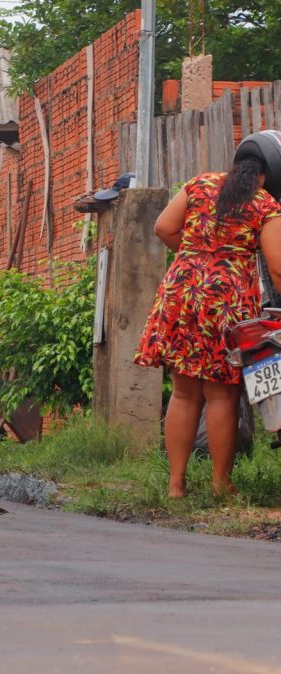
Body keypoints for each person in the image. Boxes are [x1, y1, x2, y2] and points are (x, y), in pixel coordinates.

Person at [135, 141, 281, 498]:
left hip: (182, 292)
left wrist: (196, 256)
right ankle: (220, 484)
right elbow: (277, 265)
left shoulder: (198, 184)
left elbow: (164, 228)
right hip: (227, 299)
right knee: (222, 396)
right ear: (271, 173)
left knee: (183, 393)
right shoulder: (265, 204)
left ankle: (175, 484)